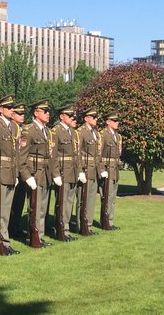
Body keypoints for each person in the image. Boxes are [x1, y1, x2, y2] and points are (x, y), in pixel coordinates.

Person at [18, 99, 59, 246]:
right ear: (36, 113)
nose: (48, 114)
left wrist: (55, 174)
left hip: (45, 174)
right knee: (34, 207)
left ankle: (39, 236)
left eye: (48, 111)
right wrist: (27, 176)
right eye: (45, 111)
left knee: (43, 208)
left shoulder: (48, 132)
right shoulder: (28, 130)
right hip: (34, 173)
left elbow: (51, 156)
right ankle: (33, 235)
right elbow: (21, 157)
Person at [0, 95, 20, 255]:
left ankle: (5, 241)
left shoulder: (14, 127)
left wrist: (17, 173)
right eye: (9, 107)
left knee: (6, 210)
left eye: (12, 107)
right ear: (0, 110)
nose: (12, 110)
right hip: (1, 171)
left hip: (11, 172)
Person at [51, 105, 80, 241]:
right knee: (62, 202)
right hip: (62, 171)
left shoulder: (73, 132)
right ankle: (60, 229)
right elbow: (53, 155)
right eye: (70, 115)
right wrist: (56, 173)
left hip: (72, 171)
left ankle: (66, 229)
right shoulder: (56, 131)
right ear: (62, 116)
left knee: (69, 202)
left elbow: (77, 154)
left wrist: (79, 171)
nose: (72, 118)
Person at [75, 108, 101, 235]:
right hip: (85, 169)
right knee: (82, 199)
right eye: (93, 116)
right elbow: (77, 153)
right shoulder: (81, 132)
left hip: (93, 170)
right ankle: (82, 225)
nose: (96, 119)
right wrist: (80, 171)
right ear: (86, 118)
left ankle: (88, 225)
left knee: (91, 199)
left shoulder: (95, 133)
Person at [98, 112, 122, 230]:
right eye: (115, 120)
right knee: (106, 196)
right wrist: (102, 169)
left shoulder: (117, 136)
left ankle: (110, 221)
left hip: (115, 170)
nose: (117, 123)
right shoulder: (103, 134)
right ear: (108, 122)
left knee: (112, 198)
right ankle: (105, 221)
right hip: (107, 169)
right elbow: (99, 153)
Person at [8, 103, 28, 241]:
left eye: (23, 114)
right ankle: (9, 227)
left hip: (23, 170)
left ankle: (15, 225)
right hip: (13, 169)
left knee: (19, 200)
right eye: (19, 114)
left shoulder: (24, 129)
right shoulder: (11, 128)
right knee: (10, 201)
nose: (22, 116)